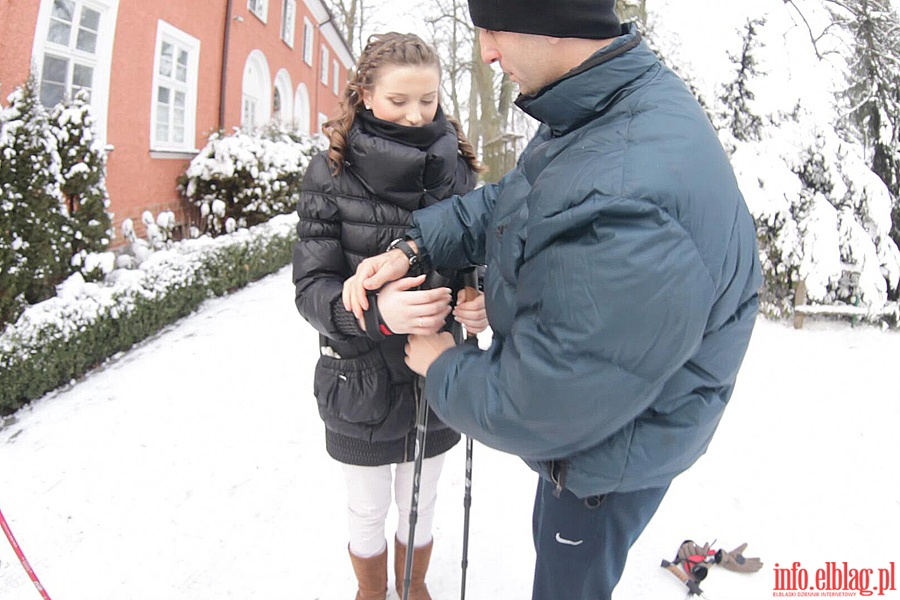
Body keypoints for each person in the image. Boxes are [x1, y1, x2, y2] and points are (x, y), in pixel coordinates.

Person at [342, 3, 763, 599]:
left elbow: (542, 403)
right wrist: (416, 247)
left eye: (492, 28)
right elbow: (519, 198)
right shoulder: (605, 105)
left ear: (547, 15)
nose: (486, 51)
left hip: (604, 457)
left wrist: (442, 365)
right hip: (601, 425)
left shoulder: (633, 192)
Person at [292, 32, 487, 600]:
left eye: (427, 100)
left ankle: (415, 586)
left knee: (423, 499)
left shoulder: (457, 167)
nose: (415, 114)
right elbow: (312, 289)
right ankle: (372, 592)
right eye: (399, 101)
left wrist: (477, 294)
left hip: (438, 368)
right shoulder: (330, 172)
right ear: (365, 93)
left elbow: (473, 254)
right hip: (361, 379)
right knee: (367, 506)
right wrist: (379, 313)